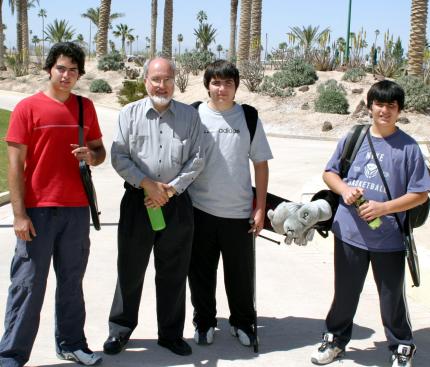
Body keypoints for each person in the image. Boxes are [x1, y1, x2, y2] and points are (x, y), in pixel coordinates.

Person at [0, 42, 106, 367]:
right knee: (28, 284)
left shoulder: (85, 108)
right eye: (61, 68)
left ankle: (72, 344)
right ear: (49, 68)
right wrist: (19, 215)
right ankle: (11, 355)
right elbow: (15, 165)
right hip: (37, 211)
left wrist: (92, 156)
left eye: (73, 70)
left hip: (76, 211)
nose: (66, 75)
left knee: (72, 282)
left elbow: (100, 151)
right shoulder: (27, 108)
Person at [311, 80, 430, 366]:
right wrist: (345, 190)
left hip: (388, 239)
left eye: (391, 105)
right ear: (370, 106)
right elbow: (330, 173)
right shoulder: (354, 136)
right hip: (349, 233)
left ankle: (402, 346)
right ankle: (335, 339)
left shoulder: (409, 149)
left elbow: (420, 193)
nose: (384, 110)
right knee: (345, 292)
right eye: (379, 104)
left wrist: (383, 208)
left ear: (399, 110)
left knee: (392, 298)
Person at [104, 57, 204, 357]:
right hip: (138, 201)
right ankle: (120, 330)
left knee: (173, 271)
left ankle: (171, 334)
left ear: (176, 81)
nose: (162, 85)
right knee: (130, 269)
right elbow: (119, 156)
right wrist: (147, 184)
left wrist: (169, 190)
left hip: (176, 203)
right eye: (156, 79)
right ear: (146, 80)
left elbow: (197, 158)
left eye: (168, 79)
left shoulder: (190, 116)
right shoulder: (129, 114)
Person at [188, 60, 273, 346]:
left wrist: (259, 207)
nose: (221, 88)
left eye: (227, 83)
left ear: (236, 87)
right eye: (215, 82)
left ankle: (242, 322)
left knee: (239, 275)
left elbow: (260, 165)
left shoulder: (248, 117)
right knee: (200, 273)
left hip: (238, 213)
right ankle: (204, 321)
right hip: (199, 210)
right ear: (207, 85)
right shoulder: (194, 115)